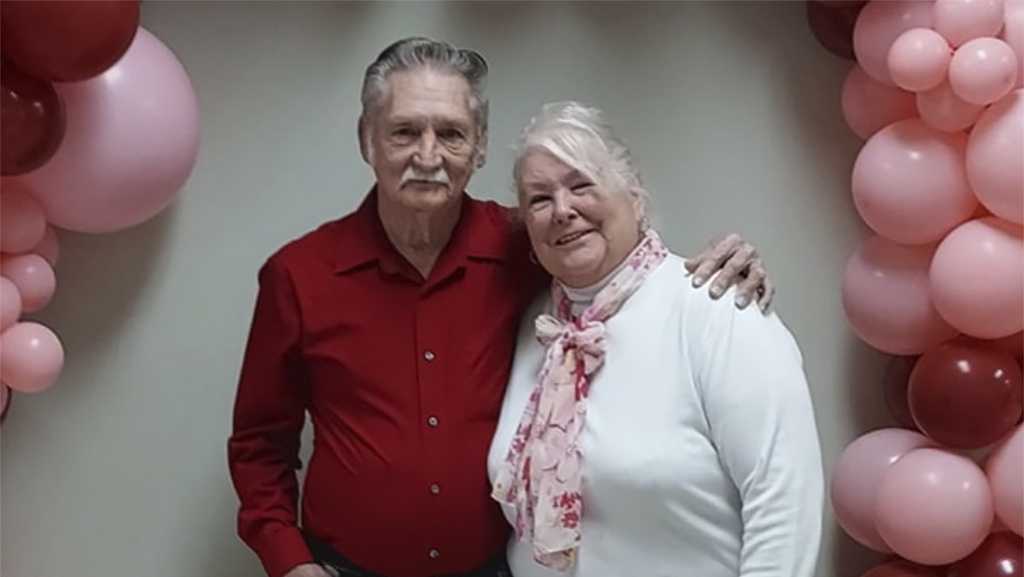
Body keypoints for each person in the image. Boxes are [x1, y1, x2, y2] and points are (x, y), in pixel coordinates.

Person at [228, 38, 774, 577]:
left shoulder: (528, 247)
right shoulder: (298, 276)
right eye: (403, 132)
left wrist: (717, 269)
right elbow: (259, 446)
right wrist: (290, 562)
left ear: (480, 146)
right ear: (366, 140)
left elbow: (623, 269)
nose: (428, 155)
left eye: (451, 134)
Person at [488, 101, 823, 577]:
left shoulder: (716, 308)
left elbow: (784, 501)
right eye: (539, 199)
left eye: (582, 184)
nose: (563, 210)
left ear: (636, 197)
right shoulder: (533, 327)